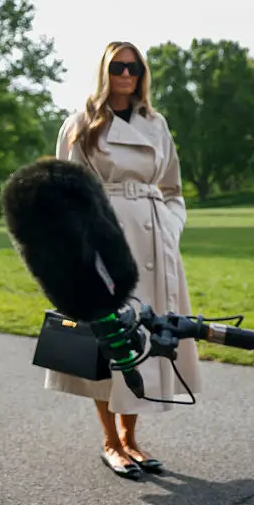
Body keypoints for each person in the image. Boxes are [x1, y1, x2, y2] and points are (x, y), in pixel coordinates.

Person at [46, 41, 202, 480]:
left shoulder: (157, 124)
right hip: (104, 244)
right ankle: (110, 442)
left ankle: (132, 438)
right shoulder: (81, 124)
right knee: (108, 341)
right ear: (105, 70)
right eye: (118, 66)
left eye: (134, 67)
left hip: (154, 243)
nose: (127, 74)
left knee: (147, 340)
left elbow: (173, 189)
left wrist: (169, 229)